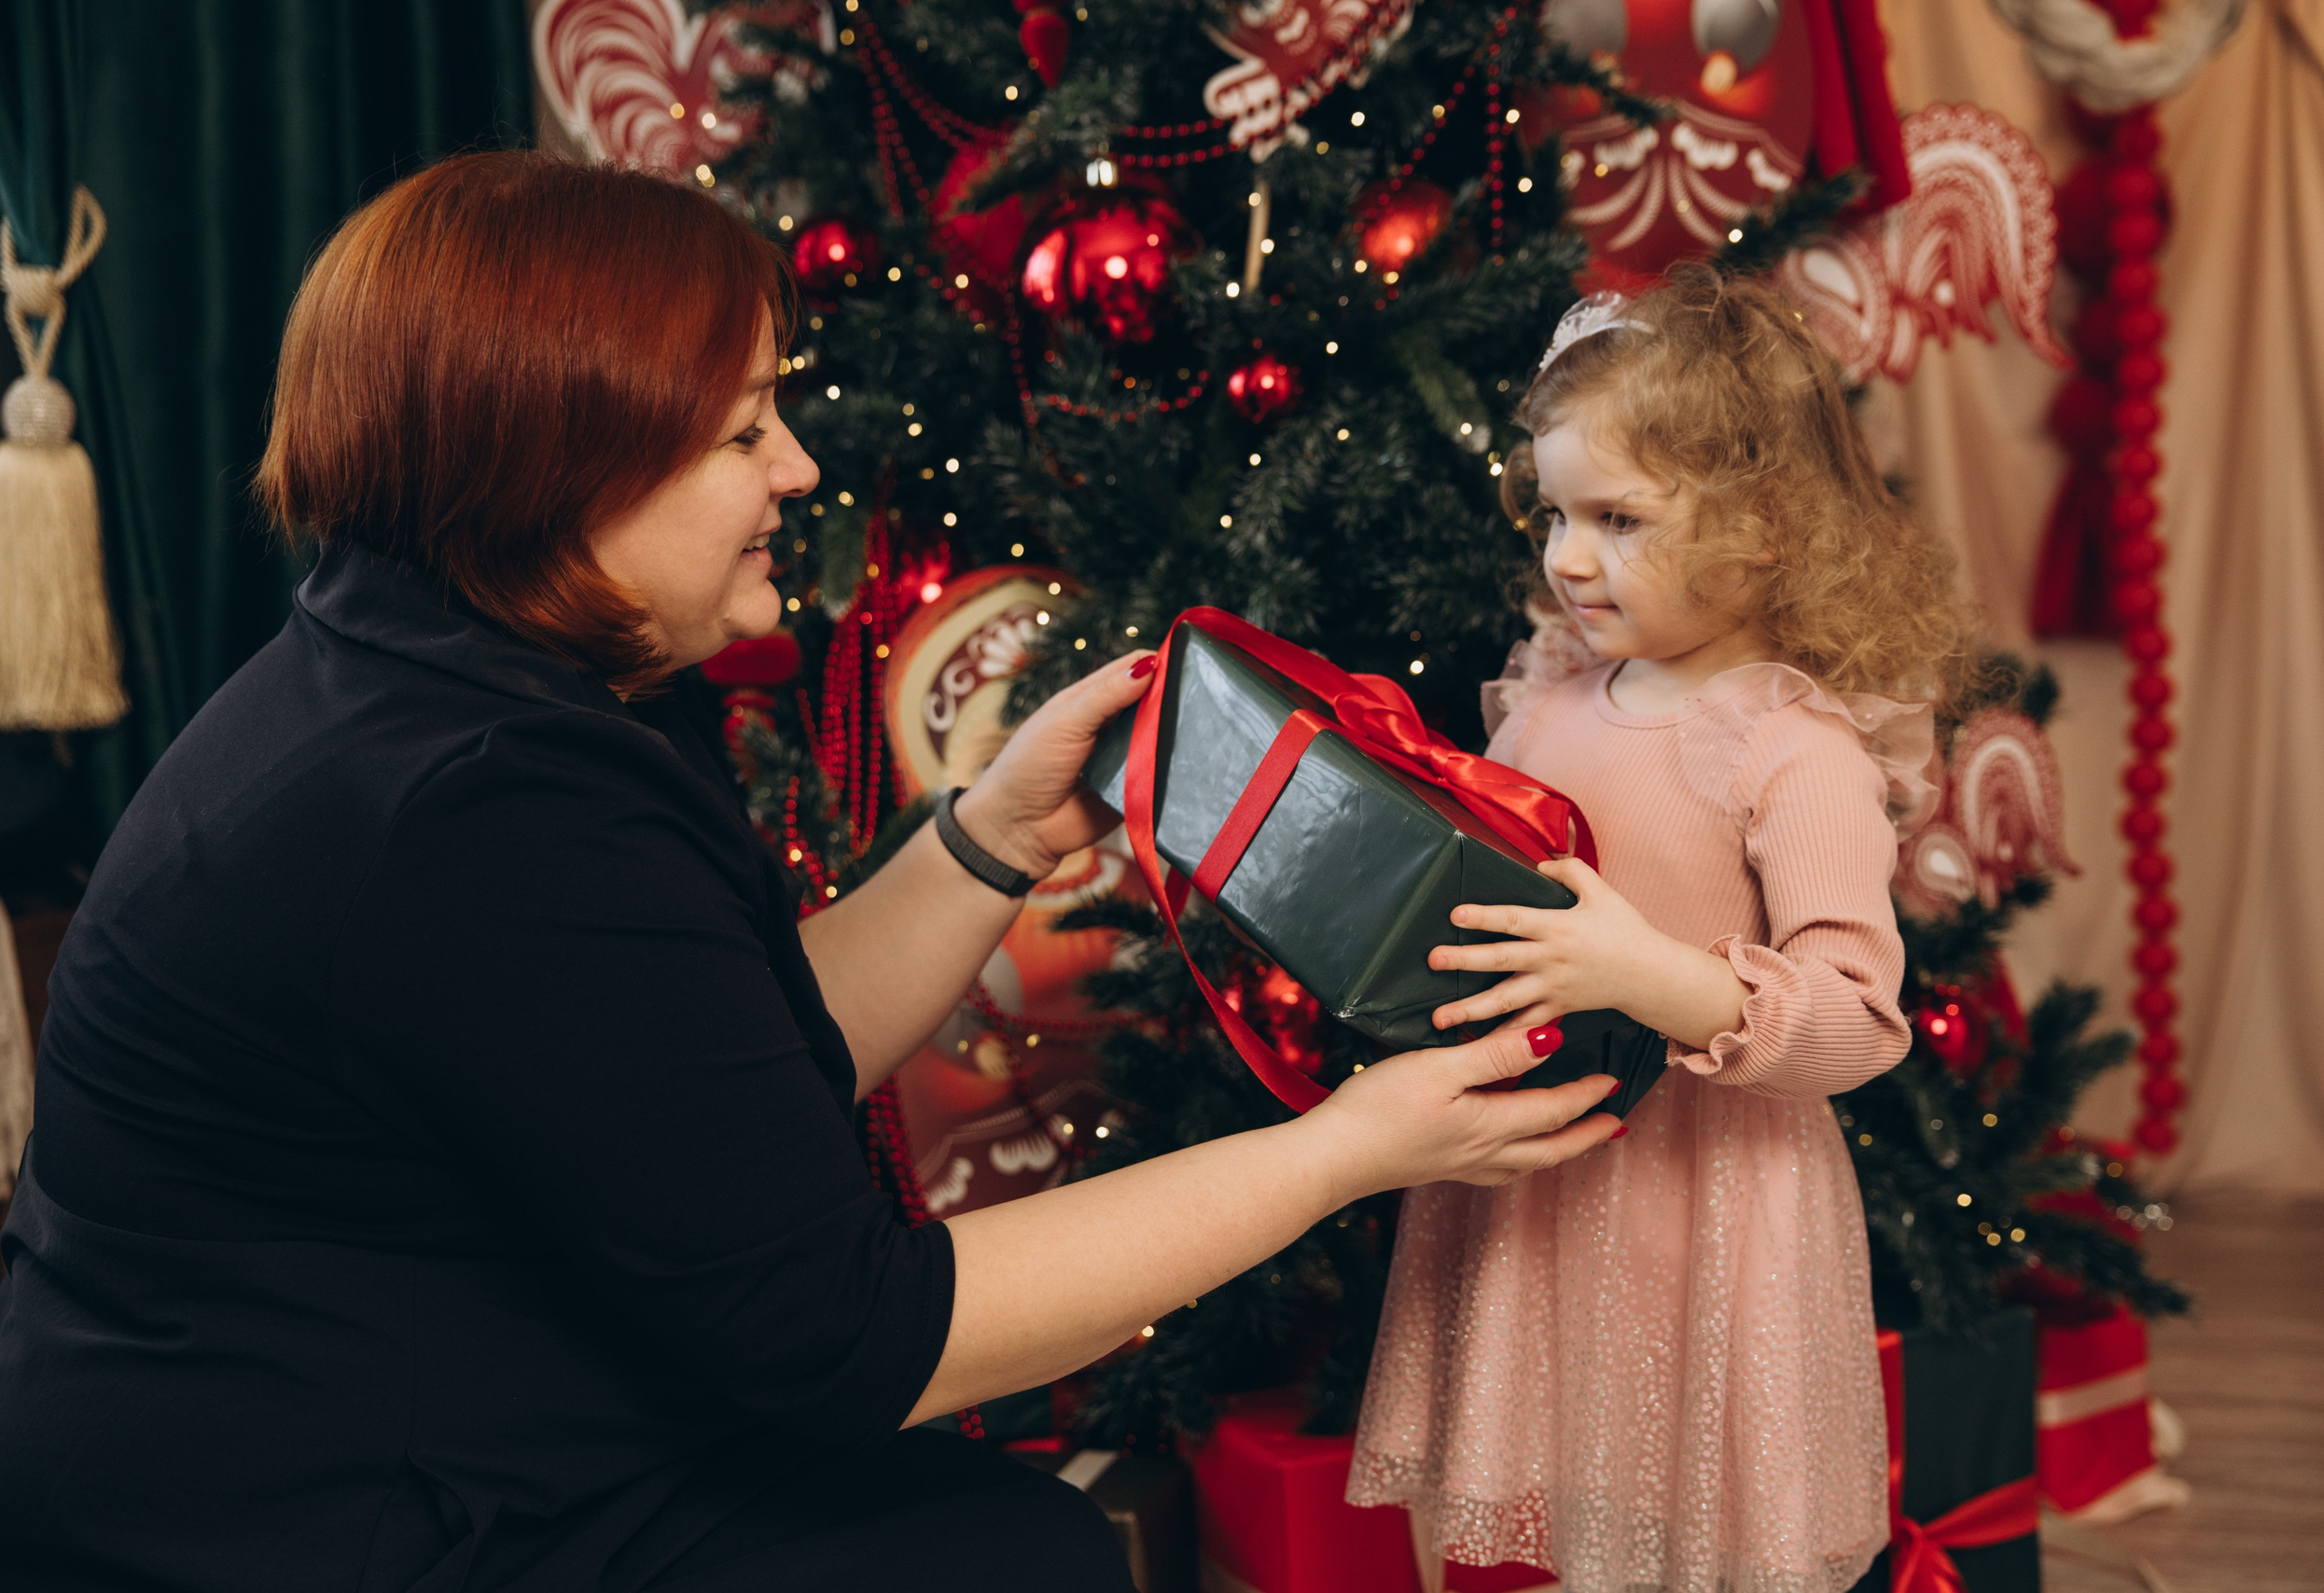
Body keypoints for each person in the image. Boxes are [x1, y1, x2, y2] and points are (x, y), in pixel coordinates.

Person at [0, 151, 1626, 1593]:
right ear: (566, 463)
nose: (794, 471)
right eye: (742, 432)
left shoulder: (439, 679)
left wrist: (988, 835)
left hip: (374, 1427)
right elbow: (857, 1345)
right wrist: (1342, 1152)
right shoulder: (472, 802)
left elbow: (726, 1060)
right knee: (1008, 1557)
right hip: (298, 1521)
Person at [1347, 268, 1965, 1593]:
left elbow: (1857, 1019)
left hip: (1707, 1201)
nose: (1568, 557)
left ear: (1765, 529)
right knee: (1564, 1519)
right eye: (1556, 512)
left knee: (1689, 1525)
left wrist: (1646, 971)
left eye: (1618, 519)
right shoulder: (1553, 695)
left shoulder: (1792, 750)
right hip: (1544, 1177)